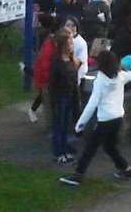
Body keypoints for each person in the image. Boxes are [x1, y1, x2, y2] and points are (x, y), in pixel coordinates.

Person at [59, 51, 131, 186]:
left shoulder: (100, 79)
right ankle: (126, 169)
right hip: (118, 118)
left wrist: (80, 124)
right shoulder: (121, 76)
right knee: (109, 147)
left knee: (90, 149)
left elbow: (92, 104)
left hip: (105, 120)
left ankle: (78, 175)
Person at [48, 29, 80, 165]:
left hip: (69, 95)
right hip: (60, 97)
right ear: (63, 45)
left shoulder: (71, 59)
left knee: (65, 125)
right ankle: (59, 153)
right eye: (70, 42)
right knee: (59, 125)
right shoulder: (57, 62)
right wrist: (54, 100)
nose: (72, 44)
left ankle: (65, 149)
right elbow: (53, 83)